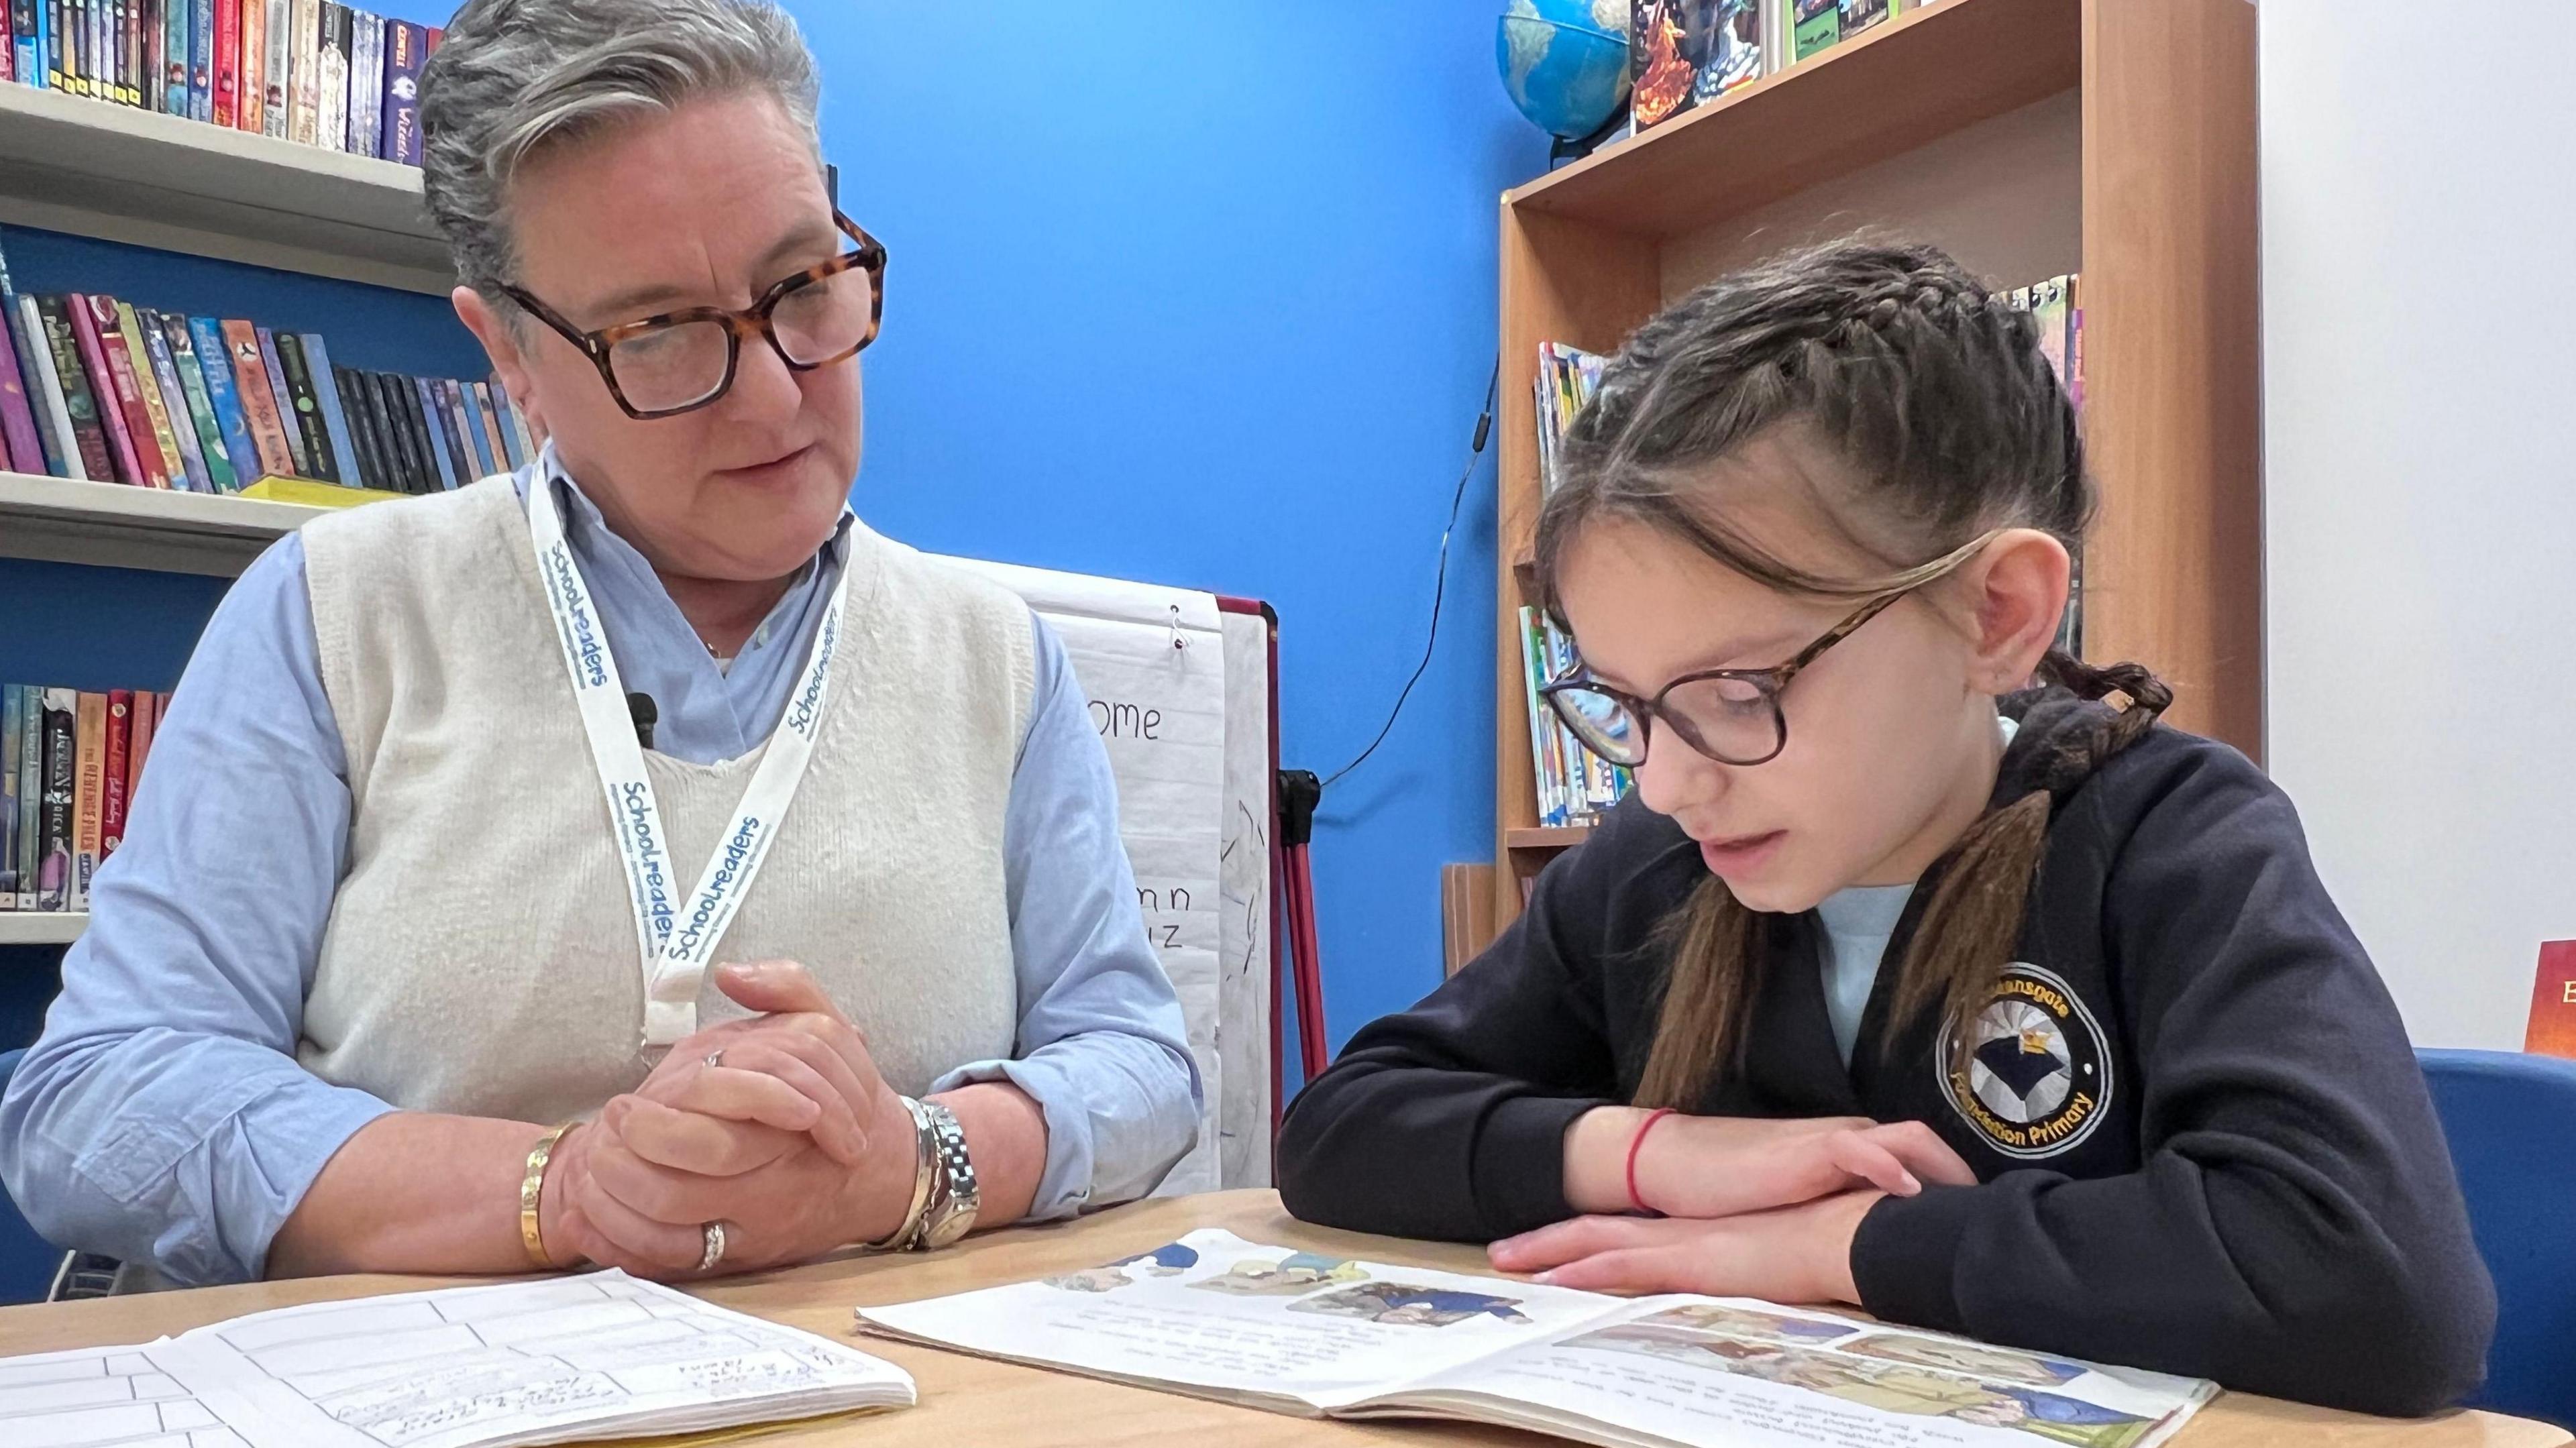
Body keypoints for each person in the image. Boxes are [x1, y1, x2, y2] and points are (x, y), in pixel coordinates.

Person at [0, 0, 1199, 1288]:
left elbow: (1138, 1062)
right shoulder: (338, 613)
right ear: (509, 353)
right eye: (660, 331)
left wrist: (909, 1161)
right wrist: (564, 1191)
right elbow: (99, 1097)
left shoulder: (995, 659)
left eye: (802, 287)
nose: (777, 391)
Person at [1273, 240, 2494, 1416]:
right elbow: (1337, 1130)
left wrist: (1836, 1244)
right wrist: (1662, 1156)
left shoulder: (2169, 836)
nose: (1663, 784)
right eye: (1626, 705)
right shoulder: (1659, 864)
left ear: (1995, 617)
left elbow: (2371, 1284)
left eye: (1738, 693)